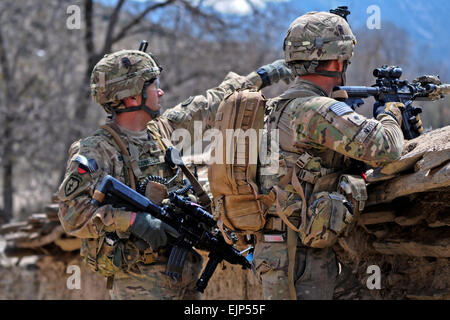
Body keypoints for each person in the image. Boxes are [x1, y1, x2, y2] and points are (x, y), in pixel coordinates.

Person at [56, 48, 292, 300]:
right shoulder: (97, 150)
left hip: (184, 279)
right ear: (132, 96)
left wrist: (262, 76)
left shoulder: (160, 131)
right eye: (153, 86)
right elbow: (72, 214)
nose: (161, 92)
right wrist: (133, 221)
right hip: (140, 286)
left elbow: (208, 104)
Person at [252, 10, 405, 300]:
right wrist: (391, 113)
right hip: (299, 256)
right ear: (338, 59)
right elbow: (387, 146)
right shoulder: (315, 109)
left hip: (284, 249)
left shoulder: (276, 105)